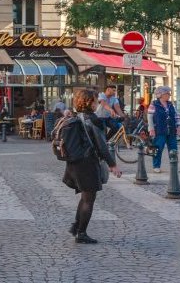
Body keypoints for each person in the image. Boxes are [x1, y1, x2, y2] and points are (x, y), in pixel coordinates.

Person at [63, 89, 122, 244]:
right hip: (87, 163)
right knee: (89, 198)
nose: (97, 104)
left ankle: (76, 226)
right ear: (89, 102)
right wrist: (112, 164)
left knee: (85, 196)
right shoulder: (92, 119)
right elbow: (102, 145)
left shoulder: (77, 116)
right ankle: (81, 233)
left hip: (75, 162)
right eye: (96, 101)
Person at [147, 86, 180, 173]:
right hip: (159, 130)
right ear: (161, 95)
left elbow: (176, 116)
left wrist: (179, 126)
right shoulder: (154, 104)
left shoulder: (170, 104)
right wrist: (151, 129)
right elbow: (150, 117)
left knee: (173, 149)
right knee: (158, 149)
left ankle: (174, 166)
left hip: (171, 130)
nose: (169, 95)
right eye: (167, 93)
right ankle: (156, 166)